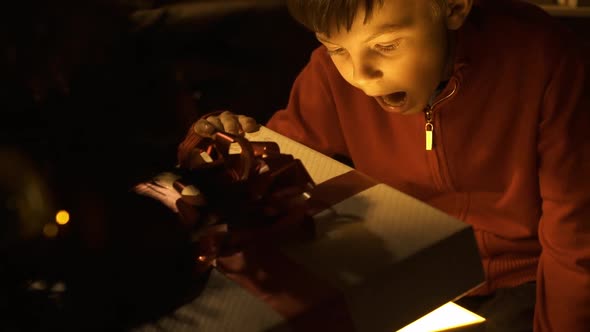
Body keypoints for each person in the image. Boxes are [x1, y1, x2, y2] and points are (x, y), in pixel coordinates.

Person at [177, 0, 590, 330]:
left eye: (386, 45)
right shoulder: (329, 73)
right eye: (336, 47)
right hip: (406, 267)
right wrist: (216, 145)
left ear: (453, 7)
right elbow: (274, 170)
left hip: (525, 277)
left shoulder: (541, 60)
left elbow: (575, 229)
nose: (360, 75)